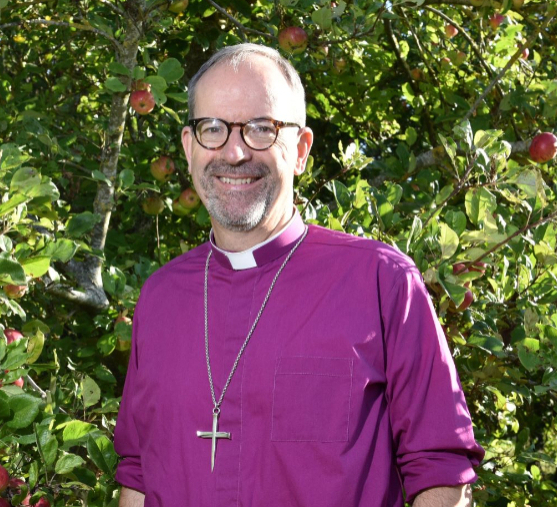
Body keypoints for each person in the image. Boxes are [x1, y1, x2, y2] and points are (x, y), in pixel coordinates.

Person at [113, 43, 484, 507]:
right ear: (189, 149)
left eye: (261, 129)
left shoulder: (381, 283)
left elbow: (441, 471)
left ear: (302, 149)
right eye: (213, 129)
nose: (234, 151)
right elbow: (138, 473)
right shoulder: (161, 296)